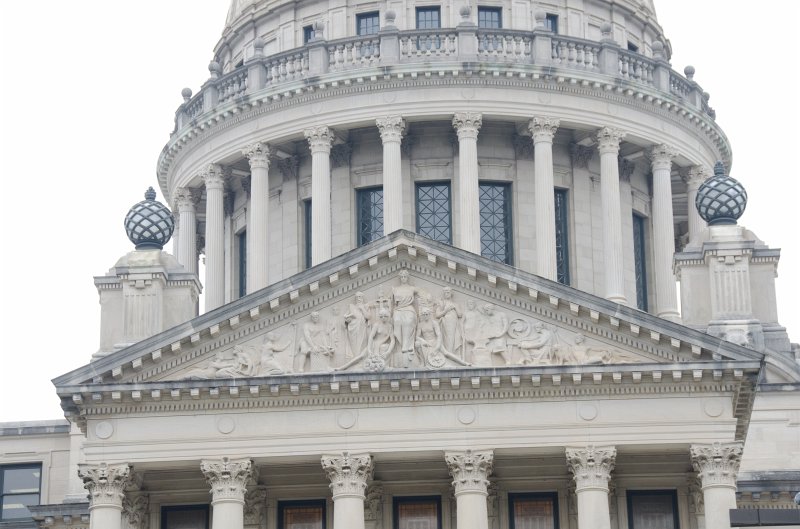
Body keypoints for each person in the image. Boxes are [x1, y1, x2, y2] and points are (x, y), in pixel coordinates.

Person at [392, 270, 422, 364]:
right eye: (402, 276)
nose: (403, 278)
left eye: (405, 276)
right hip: (398, 309)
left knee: (408, 322)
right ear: (400, 278)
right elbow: (390, 302)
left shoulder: (412, 288)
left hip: (409, 309)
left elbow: (423, 294)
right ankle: (401, 345)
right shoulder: (395, 289)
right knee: (396, 321)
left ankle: (405, 345)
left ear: (407, 277)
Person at [435, 287, 463, 359]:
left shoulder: (455, 304)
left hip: (454, 323)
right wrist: (446, 310)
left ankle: (452, 355)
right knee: (448, 339)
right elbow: (437, 315)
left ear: (451, 293)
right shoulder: (441, 303)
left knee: (454, 338)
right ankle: (449, 355)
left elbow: (460, 314)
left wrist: (455, 307)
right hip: (446, 323)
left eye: (448, 292)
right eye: (445, 292)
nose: (446, 294)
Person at [344, 292, 370, 359]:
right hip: (352, 328)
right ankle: (355, 358)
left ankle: (359, 359)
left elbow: (368, 317)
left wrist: (362, 309)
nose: (359, 298)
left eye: (360, 297)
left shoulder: (366, 306)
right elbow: (345, 317)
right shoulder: (351, 306)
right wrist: (347, 319)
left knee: (362, 344)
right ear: (355, 298)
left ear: (363, 298)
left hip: (362, 328)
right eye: (357, 297)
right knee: (354, 345)